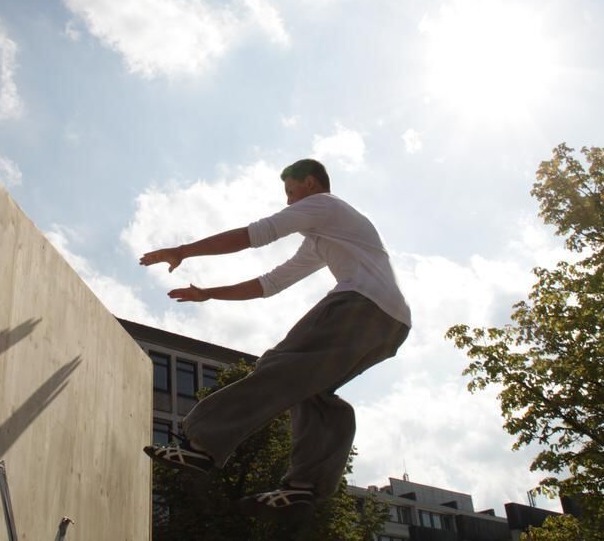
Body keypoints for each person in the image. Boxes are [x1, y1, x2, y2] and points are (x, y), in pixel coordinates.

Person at [141, 158, 411, 520]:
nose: (288, 203)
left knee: (278, 366)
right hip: (391, 326)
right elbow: (272, 282)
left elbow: (254, 235)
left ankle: (201, 443)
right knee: (309, 389)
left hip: (360, 307)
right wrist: (209, 293)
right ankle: (306, 487)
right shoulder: (322, 238)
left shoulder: (324, 205)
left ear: (311, 184)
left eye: (291, 192)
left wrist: (184, 250)